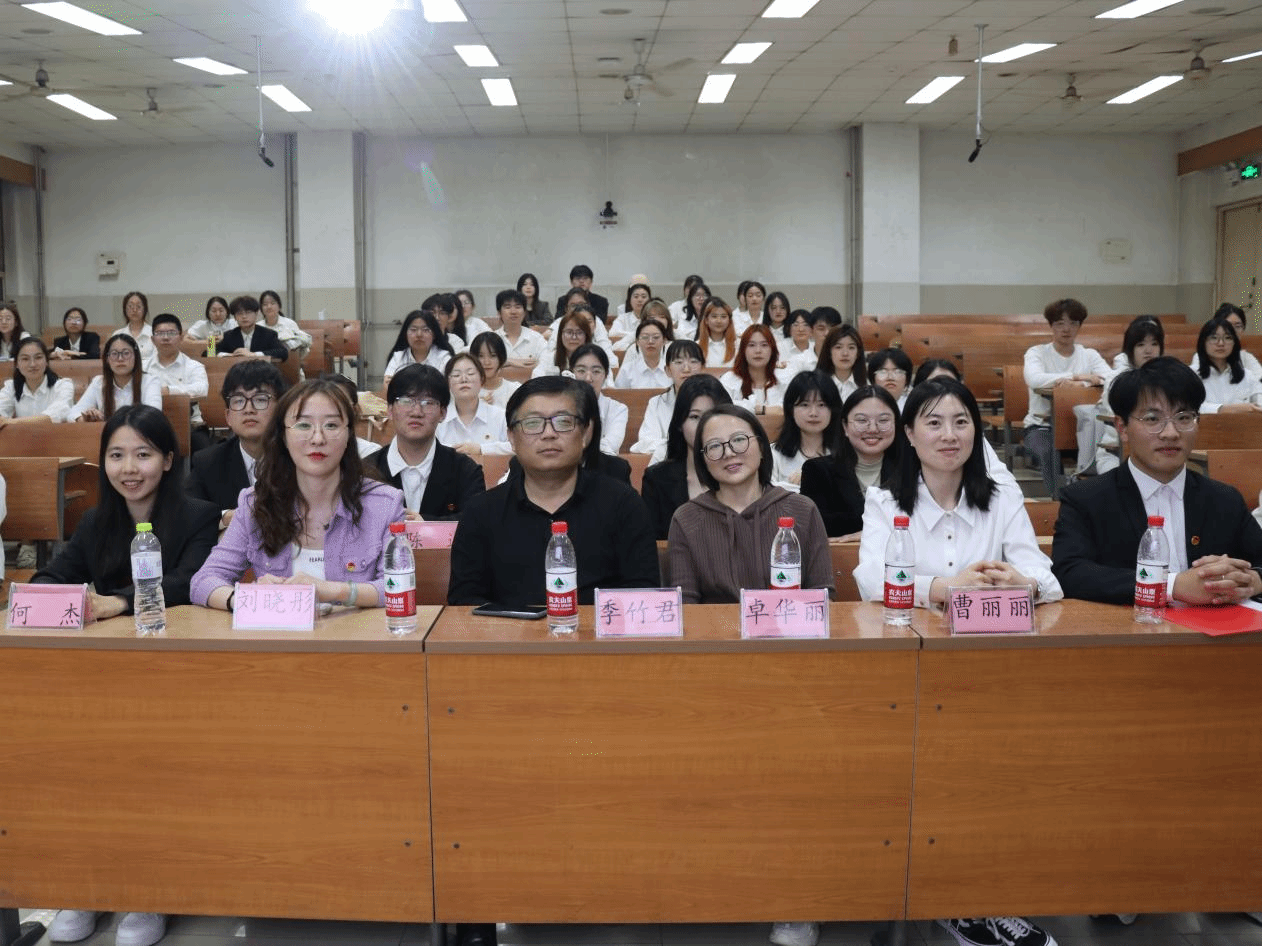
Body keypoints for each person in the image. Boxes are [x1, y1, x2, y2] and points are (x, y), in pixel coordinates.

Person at [37, 406, 219, 946]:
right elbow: (55, 575)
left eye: (143, 454)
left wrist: (115, 602)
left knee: (151, 776)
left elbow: (189, 583)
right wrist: (43, 596)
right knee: (82, 771)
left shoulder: (199, 515)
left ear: (168, 460)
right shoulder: (97, 521)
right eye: (116, 456)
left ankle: (150, 889)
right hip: (106, 677)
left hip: (176, 675)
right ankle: (89, 886)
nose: (129, 468)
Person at [1052, 356, 1262, 606]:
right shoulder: (1086, 498)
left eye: (1184, 418)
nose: (1170, 433)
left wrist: (1252, 580)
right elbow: (1069, 573)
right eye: (1152, 419)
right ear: (1122, 427)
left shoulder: (1223, 499)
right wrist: (1172, 586)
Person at [191, 378, 406, 610]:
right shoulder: (256, 503)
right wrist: (249, 599)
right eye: (303, 425)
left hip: (358, 633)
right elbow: (203, 581)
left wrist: (333, 591)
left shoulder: (384, 504)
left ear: (348, 436)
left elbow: (399, 586)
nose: (317, 438)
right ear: (283, 436)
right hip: (278, 632)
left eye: (331, 425)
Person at [448, 375, 658, 607]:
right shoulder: (480, 513)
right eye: (532, 423)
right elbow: (464, 602)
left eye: (563, 421)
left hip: (598, 631)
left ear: (586, 434)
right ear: (512, 438)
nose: (548, 433)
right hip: (507, 631)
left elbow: (643, 596)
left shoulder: (624, 505)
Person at [855, 376, 1062, 608]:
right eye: (934, 423)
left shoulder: (1003, 499)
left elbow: (1045, 577)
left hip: (985, 628)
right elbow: (871, 580)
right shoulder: (883, 503)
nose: (949, 435)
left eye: (961, 422)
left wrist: (1026, 584)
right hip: (910, 628)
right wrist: (944, 588)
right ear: (910, 433)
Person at [667, 403, 831, 603]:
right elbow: (686, 606)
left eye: (738, 440)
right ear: (703, 460)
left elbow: (822, 597)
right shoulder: (686, 519)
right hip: (717, 624)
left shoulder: (802, 510)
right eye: (715, 446)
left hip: (790, 622)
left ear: (762, 447)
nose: (729, 453)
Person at [368, 364, 485, 519]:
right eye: (406, 401)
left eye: (428, 402)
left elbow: (476, 523)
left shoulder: (466, 471)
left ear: (443, 413)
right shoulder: (366, 471)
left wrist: (427, 526)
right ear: (390, 410)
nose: (416, 412)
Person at [1022, 298, 1111, 494]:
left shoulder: (1089, 355)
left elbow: (1110, 378)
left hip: (1082, 426)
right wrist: (1077, 376)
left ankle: (1094, 496)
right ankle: (1059, 498)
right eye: (1060, 323)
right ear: (1051, 325)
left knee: (1109, 447)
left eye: (1073, 323)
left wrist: (1080, 385)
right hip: (1042, 426)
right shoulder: (1037, 353)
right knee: (1049, 451)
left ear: (1079, 326)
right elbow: (1035, 379)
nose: (1066, 329)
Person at [187, 361, 286, 530]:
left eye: (260, 400)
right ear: (228, 417)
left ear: (280, 411)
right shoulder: (208, 462)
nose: (249, 409)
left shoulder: (297, 457)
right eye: (239, 401)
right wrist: (227, 517)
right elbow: (189, 514)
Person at [801, 385, 903, 539]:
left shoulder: (912, 469)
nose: (873, 429)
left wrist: (867, 531)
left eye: (883, 420)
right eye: (862, 420)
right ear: (845, 427)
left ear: (896, 424)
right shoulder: (817, 470)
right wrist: (883, 526)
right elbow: (817, 525)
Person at [640, 374, 732, 539]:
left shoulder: (740, 472)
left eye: (712, 416)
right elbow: (653, 545)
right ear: (679, 424)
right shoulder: (657, 479)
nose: (704, 426)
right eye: (694, 417)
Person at [1074, 316, 1164, 477]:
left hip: (1158, 450)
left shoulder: (1168, 379)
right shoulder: (1116, 380)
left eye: (1154, 344)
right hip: (1115, 452)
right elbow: (1119, 419)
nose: (1148, 350)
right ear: (1130, 350)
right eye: (1141, 345)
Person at [913, 358, 1017, 487]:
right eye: (934, 386)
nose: (943, 391)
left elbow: (1000, 476)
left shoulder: (965, 431)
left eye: (951, 385)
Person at [145, 313, 212, 453]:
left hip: (191, 424)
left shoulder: (194, 366)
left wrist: (169, 391)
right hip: (149, 424)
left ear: (181, 337)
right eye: (160, 333)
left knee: (205, 454)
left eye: (171, 333)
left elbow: (202, 389)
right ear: (152, 339)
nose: (165, 337)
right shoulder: (142, 367)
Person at [629, 339, 704, 458]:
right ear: (668, 370)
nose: (686, 369)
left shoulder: (714, 399)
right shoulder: (657, 402)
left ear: (702, 368)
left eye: (693, 361)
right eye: (678, 362)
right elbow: (646, 442)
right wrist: (684, 447)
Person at [771, 370, 841, 491]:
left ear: (833, 409)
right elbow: (767, 494)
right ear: (791, 409)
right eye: (804, 405)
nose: (813, 413)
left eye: (821, 405)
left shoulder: (846, 453)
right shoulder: (774, 454)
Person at [69, 333, 162, 422]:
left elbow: (153, 415)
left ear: (135, 356)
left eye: (126, 353)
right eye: (114, 354)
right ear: (107, 359)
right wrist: (86, 419)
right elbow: (73, 413)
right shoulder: (99, 382)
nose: (120, 359)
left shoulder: (150, 381)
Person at [437, 353, 512, 456]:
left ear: (482, 380)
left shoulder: (500, 416)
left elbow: (517, 447)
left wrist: (482, 449)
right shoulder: (438, 420)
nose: (464, 379)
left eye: (470, 373)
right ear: (448, 383)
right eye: (456, 375)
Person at [1191, 315, 1262, 412]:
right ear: (1203, 342)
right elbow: (1190, 406)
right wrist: (1225, 409)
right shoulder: (1191, 374)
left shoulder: (1247, 375)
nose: (1221, 343)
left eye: (1228, 338)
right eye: (1214, 338)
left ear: (1234, 343)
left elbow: (1260, 403)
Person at [0, 337, 74, 424]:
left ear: (46, 361)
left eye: (38, 358)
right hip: (21, 433)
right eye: (25, 359)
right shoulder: (11, 387)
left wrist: (13, 422)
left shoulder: (63, 385)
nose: (32, 364)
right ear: (17, 364)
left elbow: (55, 415)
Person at [570, 344, 627, 455]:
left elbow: (611, 445)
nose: (588, 379)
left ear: (606, 375)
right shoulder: (560, 408)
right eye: (581, 371)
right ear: (572, 373)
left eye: (596, 372)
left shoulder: (617, 409)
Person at [720, 324, 785, 412]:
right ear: (743, 350)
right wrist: (763, 410)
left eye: (764, 345)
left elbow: (789, 410)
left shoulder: (783, 379)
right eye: (751, 345)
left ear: (772, 350)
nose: (758, 351)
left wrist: (755, 409)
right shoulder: (729, 380)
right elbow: (723, 409)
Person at [384, 310, 453, 383]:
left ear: (434, 334)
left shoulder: (444, 358)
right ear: (405, 334)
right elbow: (387, 385)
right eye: (413, 330)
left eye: (425, 330)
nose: (419, 334)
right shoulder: (398, 357)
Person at [219, 295, 289, 362]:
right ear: (235, 317)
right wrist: (232, 355)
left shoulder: (269, 334)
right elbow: (215, 352)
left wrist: (254, 355)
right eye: (240, 313)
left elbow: (283, 352)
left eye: (248, 312)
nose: (244, 316)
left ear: (256, 314)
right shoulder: (228, 335)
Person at [1206, 302, 1262, 379]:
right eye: (1227, 325)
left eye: (1238, 326)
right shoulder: (1202, 357)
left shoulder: (1246, 357)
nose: (1233, 331)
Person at [613, 317, 672, 389]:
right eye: (645, 337)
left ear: (664, 341)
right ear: (637, 341)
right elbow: (618, 394)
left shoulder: (672, 369)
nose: (650, 341)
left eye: (656, 337)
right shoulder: (627, 370)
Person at [494, 288, 547, 367]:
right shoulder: (491, 339)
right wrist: (508, 361)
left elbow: (549, 363)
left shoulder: (537, 338)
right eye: (507, 307)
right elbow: (479, 361)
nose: (513, 312)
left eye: (518, 307)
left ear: (525, 312)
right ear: (499, 313)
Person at [533, 309, 593, 378]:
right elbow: (537, 379)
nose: (574, 337)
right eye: (569, 332)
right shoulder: (549, 357)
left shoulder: (595, 359)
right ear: (561, 334)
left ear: (586, 336)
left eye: (579, 333)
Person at [470, 331, 520, 409]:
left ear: (501, 358)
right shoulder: (467, 391)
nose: (487, 362)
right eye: (481, 356)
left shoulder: (514, 390)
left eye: (493, 356)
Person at [817, 324, 866, 402]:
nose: (845, 353)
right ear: (829, 352)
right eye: (838, 347)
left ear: (858, 353)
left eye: (851, 347)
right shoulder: (816, 385)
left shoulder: (867, 388)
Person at [259, 289, 312, 359]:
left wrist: (288, 345)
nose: (269, 307)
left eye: (272, 303)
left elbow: (306, 339)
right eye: (265, 304)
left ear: (279, 306)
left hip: (288, 361)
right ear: (261, 308)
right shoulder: (258, 326)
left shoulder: (289, 323)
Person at [112, 290, 154, 361]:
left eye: (138, 306)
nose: (134, 310)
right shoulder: (117, 335)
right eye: (130, 306)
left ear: (145, 309)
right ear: (125, 309)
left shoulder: (154, 334)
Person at [609, 282, 652, 350]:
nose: (640, 300)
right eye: (636, 297)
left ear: (649, 300)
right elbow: (612, 334)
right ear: (629, 300)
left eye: (643, 297)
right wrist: (636, 335)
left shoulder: (654, 318)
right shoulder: (623, 318)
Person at [697, 296, 736, 368]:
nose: (719, 321)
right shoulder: (696, 346)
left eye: (723, 317)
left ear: (729, 321)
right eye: (714, 316)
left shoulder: (738, 345)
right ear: (706, 320)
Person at [780, 308, 816, 373]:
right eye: (796, 325)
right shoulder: (779, 347)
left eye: (805, 325)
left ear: (812, 329)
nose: (801, 329)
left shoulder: (816, 348)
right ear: (789, 328)